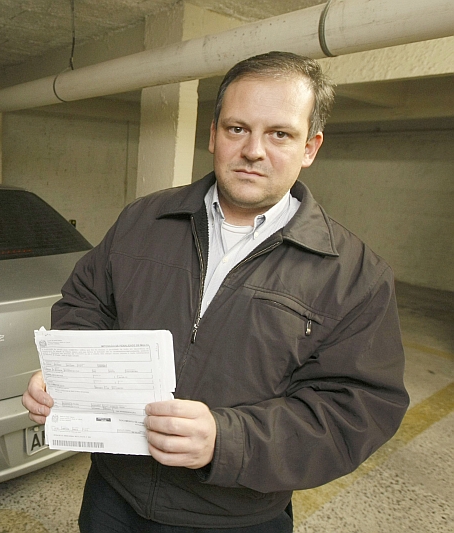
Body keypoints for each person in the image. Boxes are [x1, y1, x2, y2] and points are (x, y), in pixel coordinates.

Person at [22, 51, 409, 532]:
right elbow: (86, 304)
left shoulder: (354, 275)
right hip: (113, 499)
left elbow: (355, 410)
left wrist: (226, 441)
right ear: (213, 135)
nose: (254, 150)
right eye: (237, 129)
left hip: (234, 516)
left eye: (280, 134)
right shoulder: (142, 221)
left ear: (310, 147)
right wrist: (68, 378)